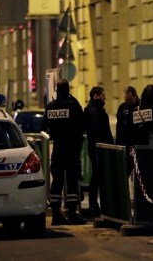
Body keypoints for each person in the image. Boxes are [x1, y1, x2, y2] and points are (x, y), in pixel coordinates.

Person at [45, 79, 87, 225]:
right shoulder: (73, 105)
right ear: (68, 90)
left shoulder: (50, 106)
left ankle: (56, 215)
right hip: (71, 149)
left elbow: (44, 126)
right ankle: (72, 214)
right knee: (71, 181)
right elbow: (82, 124)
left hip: (58, 149)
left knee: (57, 181)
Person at [84, 86, 113, 217]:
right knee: (97, 176)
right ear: (96, 96)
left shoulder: (94, 109)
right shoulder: (95, 111)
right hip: (98, 148)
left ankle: (94, 204)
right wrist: (104, 145)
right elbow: (98, 131)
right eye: (102, 95)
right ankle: (94, 205)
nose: (104, 97)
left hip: (96, 147)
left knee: (97, 176)